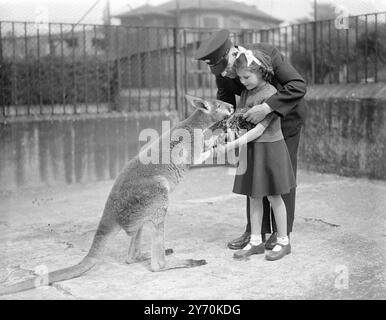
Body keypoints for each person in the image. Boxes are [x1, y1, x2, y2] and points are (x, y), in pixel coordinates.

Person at [194, 29, 307, 250]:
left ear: (233, 52)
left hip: (286, 121)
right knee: (254, 175)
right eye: (220, 71)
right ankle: (255, 232)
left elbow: (298, 85)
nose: (227, 75)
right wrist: (217, 135)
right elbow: (225, 107)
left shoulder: (267, 53)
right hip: (253, 125)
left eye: (225, 67)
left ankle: (280, 233)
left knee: (280, 177)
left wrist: (267, 107)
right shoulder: (223, 73)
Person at [213, 49, 296, 260]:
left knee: (275, 196)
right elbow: (241, 120)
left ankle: (283, 241)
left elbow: (259, 130)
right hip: (252, 149)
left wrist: (231, 147)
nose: (243, 81)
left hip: (269, 149)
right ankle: (256, 241)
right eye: (240, 77)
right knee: (254, 196)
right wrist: (227, 135)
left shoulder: (271, 94)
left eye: (246, 77)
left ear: (261, 72)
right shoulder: (246, 92)